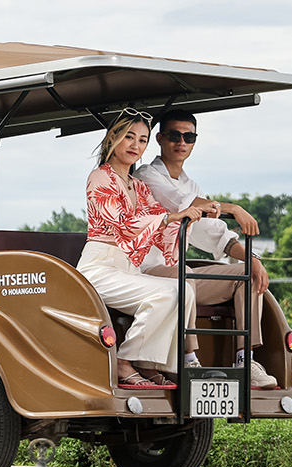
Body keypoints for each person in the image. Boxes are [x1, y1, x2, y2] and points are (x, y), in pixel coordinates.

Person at [134, 109, 277, 389]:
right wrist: (233, 208)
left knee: (244, 277)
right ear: (160, 138)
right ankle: (189, 360)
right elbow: (181, 203)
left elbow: (215, 235)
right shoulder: (146, 176)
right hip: (147, 272)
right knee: (183, 278)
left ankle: (245, 360)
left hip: (180, 271)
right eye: (174, 135)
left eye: (189, 137)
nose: (181, 142)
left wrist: (254, 260)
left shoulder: (190, 184)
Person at [77, 109, 213, 388]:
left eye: (142, 140)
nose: (135, 146)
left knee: (183, 289)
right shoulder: (100, 177)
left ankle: (149, 363)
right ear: (113, 138)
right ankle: (124, 360)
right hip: (99, 267)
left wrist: (184, 217)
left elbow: (160, 220)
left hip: (127, 268)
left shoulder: (138, 185)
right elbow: (122, 222)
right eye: (128, 137)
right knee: (163, 295)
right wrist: (170, 217)